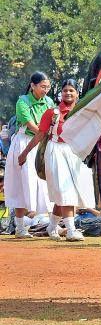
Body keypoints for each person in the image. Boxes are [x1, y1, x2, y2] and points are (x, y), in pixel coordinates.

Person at [18, 79, 95, 241]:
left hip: (75, 153)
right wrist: (24, 153)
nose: (68, 93)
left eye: (71, 90)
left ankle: (52, 226)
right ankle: (71, 230)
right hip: (56, 151)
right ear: (61, 93)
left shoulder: (83, 112)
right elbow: (40, 134)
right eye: (65, 90)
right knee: (65, 191)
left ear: (77, 93)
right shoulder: (52, 113)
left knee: (65, 193)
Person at [4, 72, 54, 238]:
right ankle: (19, 228)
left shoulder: (49, 102)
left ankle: (50, 224)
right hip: (24, 143)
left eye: (48, 87)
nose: (45, 90)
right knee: (22, 183)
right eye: (42, 86)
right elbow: (32, 127)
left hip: (42, 143)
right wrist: (45, 132)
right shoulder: (22, 102)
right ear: (33, 85)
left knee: (44, 184)